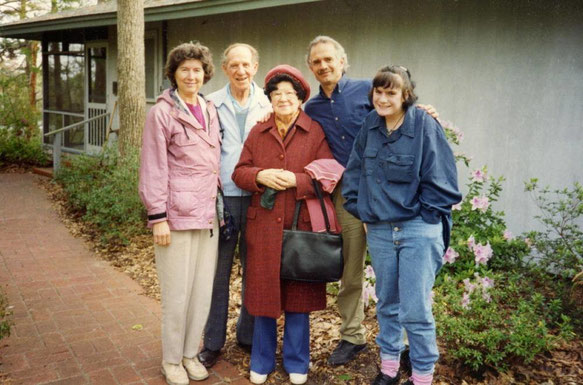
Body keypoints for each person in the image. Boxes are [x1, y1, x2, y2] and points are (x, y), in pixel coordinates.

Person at [304, 35, 438, 366]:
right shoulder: (313, 107)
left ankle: (406, 344)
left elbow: (402, 109)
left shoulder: (368, 90)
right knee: (351, 270)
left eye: (329, 59)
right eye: (317, 62)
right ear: (311, 67)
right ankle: (352, 336)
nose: (323, 66)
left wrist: (423, 111)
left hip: (390, 195)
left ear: (342, 61)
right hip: (349, 196)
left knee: (398, 274)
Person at [342, 65, 462, 385]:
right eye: (378, 92)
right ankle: (390, 368)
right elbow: (353, 176)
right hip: (380, 229)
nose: (382, 98)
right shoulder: (369, 126)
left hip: (418, 229)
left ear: (405, 95)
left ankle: (422, 376)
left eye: (390, 92)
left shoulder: (424, 124)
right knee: (387, 304)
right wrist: (365, 213)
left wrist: (423, 220)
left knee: (415, 309)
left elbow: (442, 181)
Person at [232, 65, 334, 385]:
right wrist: (259, 176)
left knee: (297, 296)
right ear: (270, 99)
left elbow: (328, 174)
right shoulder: (258, 131)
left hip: (299, 226)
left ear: (301, 99)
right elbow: (239, 172)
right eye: (277, 94)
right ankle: (261, 360)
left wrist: (298, 180)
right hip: (263, 226)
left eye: (290, 94)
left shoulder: (314, 131)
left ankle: (296, 361)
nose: (284, 99)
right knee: (263, 295)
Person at [138, 42, 221, 385]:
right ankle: (172, 360)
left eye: (197, 70)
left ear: (205, 74)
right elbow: (153, 168)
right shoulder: (162, 113)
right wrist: (157, 217)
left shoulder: (210, 108)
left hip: (208, 215)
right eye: (184, 69)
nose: (191, 75)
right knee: (177, 294)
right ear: (173, 74)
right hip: (175, 217)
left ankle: (190, 354)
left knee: (201, 292)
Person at [197, 43, 271, 369]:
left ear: (255, 66)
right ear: (226, 69)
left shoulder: (269, 103)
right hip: (223, 198)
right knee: (219, 272)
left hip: (259, 198)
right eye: (234, 65)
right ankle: (212, 342)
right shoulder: (210, 102)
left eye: (246, 64)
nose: (240, 71)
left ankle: (248, 335)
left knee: (254, 270)